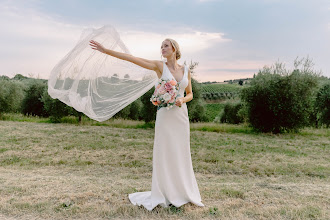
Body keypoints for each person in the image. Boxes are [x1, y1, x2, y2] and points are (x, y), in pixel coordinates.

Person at [90, 38, 204, 211]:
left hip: (181, 116)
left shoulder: (185, 69)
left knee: (181, 152)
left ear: (174, 48)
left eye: (166, 46)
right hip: (165, 116)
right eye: (161, 47)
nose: (162, 48)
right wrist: (106, 51)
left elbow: (190, 94)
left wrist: (182, 99)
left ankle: (182, 191)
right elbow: (132, 58)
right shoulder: (160, 66)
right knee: (165, 152)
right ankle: (165, 192)